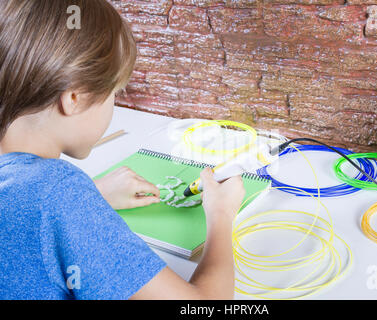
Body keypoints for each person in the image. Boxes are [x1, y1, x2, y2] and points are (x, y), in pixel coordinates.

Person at [0, 0, 245, 300]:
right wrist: (221, 213)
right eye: (114, 93)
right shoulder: (61, 195)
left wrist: (93, 194)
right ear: (74, 98)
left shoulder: (45, 194)